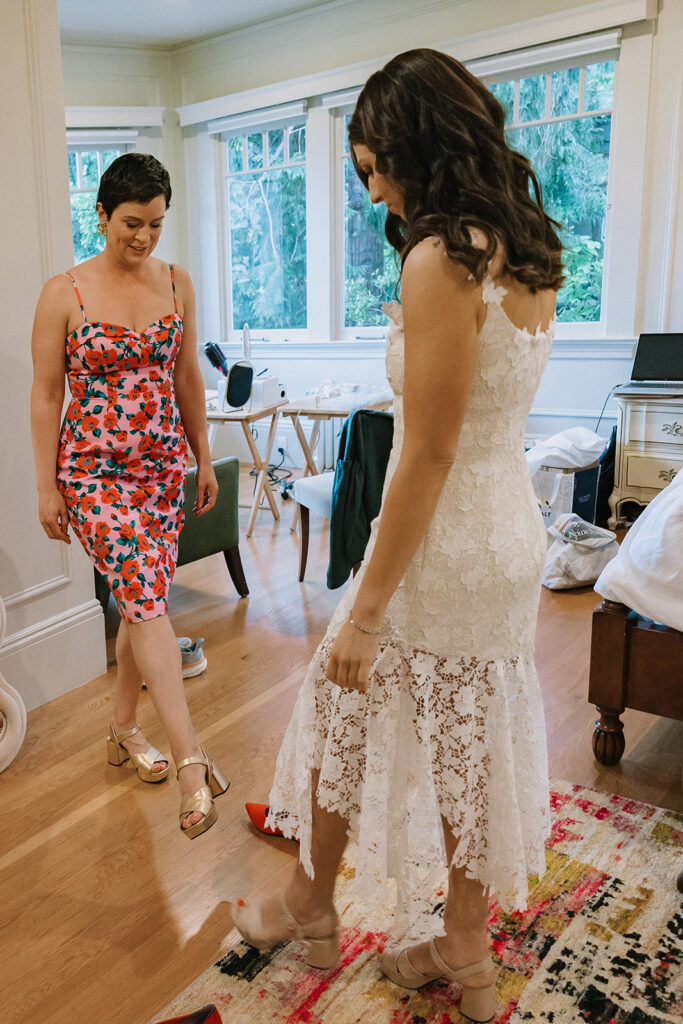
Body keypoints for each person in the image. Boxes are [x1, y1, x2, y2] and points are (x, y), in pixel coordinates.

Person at [235, 48, 563, 1019]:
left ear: (415, 145)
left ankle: (308, 903)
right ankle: (461, 950)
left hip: (443, 536)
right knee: (469, 739)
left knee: (341, 703)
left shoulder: (439, 256)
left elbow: (424, 450)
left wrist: (365, 606)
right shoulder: (528, 245)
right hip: (506, 528)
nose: (372, 186)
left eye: (374, 164)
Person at [30, 153, 228, 839]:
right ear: (102, 216)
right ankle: (192, 763)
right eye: (130, 224)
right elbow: (45, 393)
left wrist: (203, 457)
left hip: (161, 469)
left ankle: (120, 732)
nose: (143, 237)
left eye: (155, 224)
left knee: (140, 603)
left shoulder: (177, 282)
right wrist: (45, 484)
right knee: (146, 602)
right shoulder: (66, 294)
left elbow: (187, 380)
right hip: (91, 474)